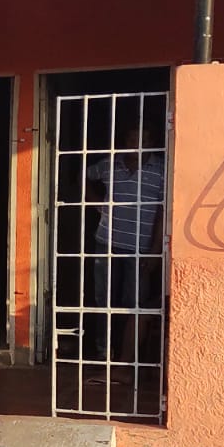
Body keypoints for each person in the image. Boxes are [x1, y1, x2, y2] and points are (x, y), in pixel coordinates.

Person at [83, 113, 165, 382]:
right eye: (131, 137)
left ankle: (128, 363)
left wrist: (154, 251)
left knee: (134, 305)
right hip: (106, 242)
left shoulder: (161, 170)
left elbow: (164, 212)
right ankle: (102, 354)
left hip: (140, 249)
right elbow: (83, 175)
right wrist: (97, 202)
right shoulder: (109, 165)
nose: (136, 142)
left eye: (142, 138)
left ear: (151, 141)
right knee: (103, 300)